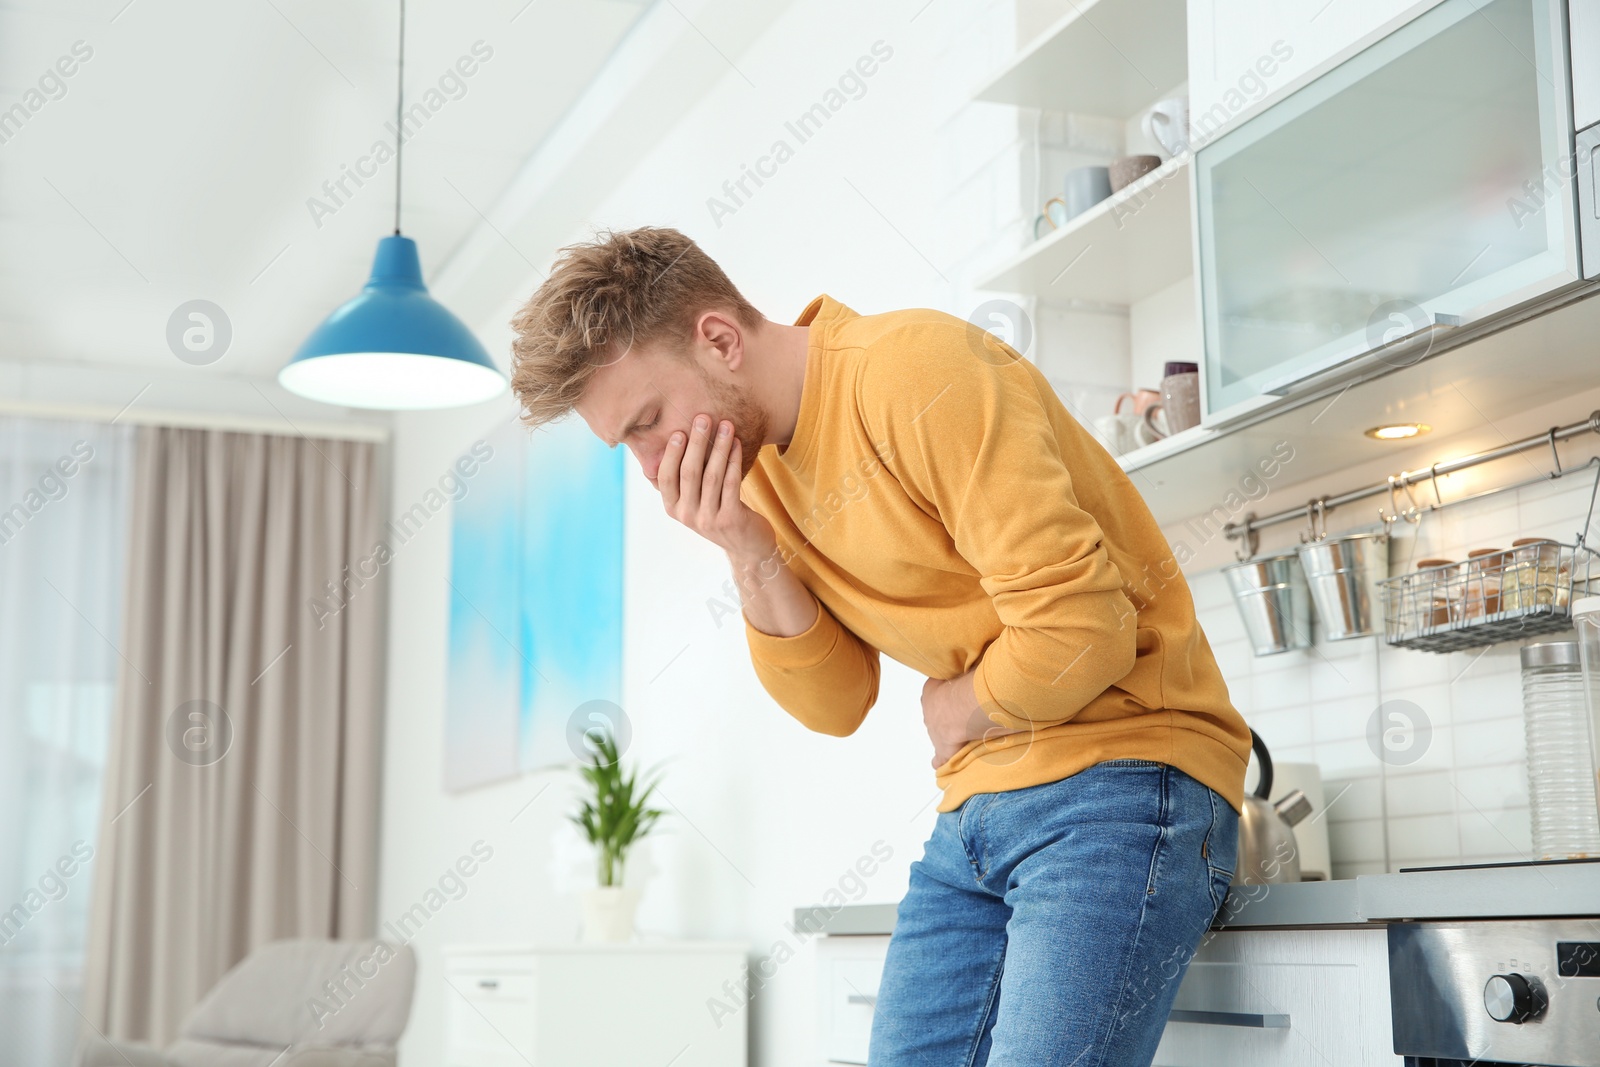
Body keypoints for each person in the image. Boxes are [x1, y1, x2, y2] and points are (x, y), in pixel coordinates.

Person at [507, 225, 1252, 1066]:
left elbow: (1085, 627)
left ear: (718, 339)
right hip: (974, 814)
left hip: (1123, 778)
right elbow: (834, 705)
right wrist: (747, 550)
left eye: (648, 422)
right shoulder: (758, 476)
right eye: (630, 446)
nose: (652, 468)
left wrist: (958, 702)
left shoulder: (914, 372)